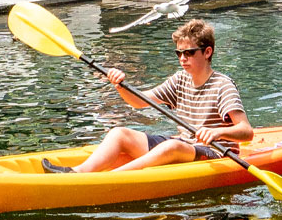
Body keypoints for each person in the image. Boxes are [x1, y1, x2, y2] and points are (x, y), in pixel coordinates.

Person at [44, 18, 252, 174]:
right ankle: (78, 173)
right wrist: (119, 85)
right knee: (119, 133)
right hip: (185, 145)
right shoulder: (179, 80)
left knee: (172, 145)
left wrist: (215, 133)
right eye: (179, 53)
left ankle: (112, 178)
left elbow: (246, 131)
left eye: (188, 53)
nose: (182, 58)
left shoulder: (222, 85)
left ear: (207, 52)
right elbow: (139, 102)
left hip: (215, 152)